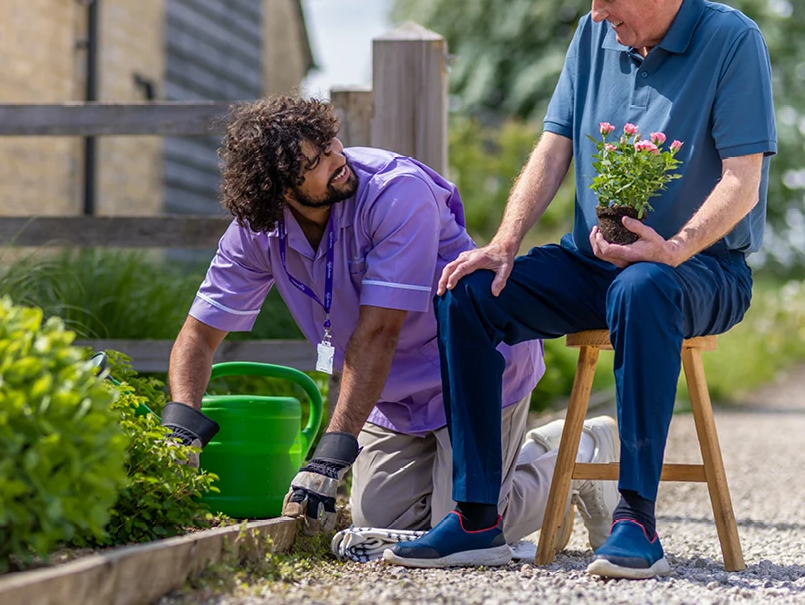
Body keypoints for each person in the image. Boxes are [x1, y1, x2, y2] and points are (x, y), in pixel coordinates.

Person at [386, 0, 777, 578]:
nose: (597, 13)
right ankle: (477, 517)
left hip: (700, 270)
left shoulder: (731, 41)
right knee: (469, 290)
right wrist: (503, 242)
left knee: (644, 285)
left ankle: (635, 522)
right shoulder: (593, 36)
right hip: (592, 264)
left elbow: (742, 180)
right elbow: (553, 148)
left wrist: (673, 247)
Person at [161, 94, 620, 554]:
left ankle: (578, 451)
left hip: (472, 371)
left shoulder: (395, 191)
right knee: (379, 521)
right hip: (390, 393)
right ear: (280, 188)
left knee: (460, 523)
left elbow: (380, 332)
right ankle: (525, 469)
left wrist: (330, 455)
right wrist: (181, 425)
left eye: (330, 143)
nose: (337, 159)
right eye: (316, 161)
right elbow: (200, 334)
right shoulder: (258, 231)